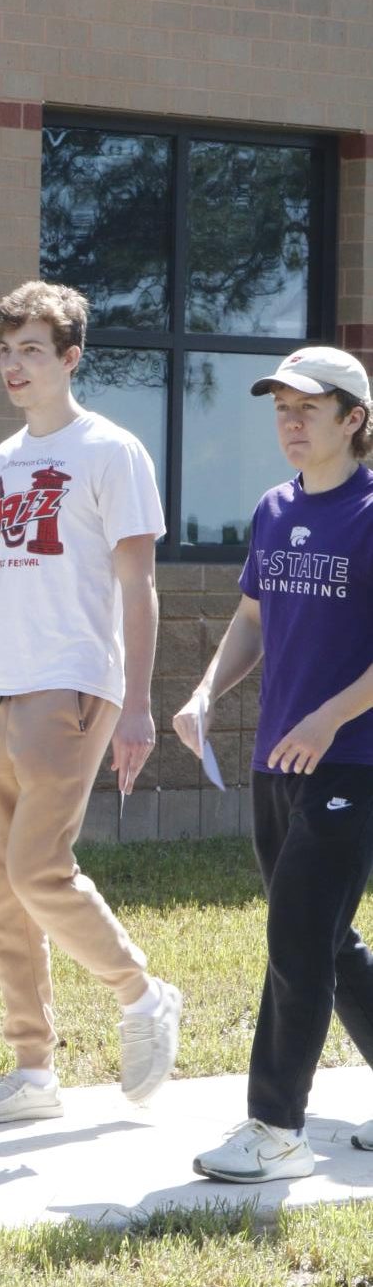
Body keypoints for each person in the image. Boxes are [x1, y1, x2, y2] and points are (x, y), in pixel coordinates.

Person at [0, 280, 181, 1125]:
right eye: (4, 350)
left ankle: (141, 993)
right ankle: (33, 1070)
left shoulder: (112, 452)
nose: (13, 365)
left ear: (71, 357)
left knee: (39, 869)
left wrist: (137, 702)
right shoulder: (2, 461)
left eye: (31, 349)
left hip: (72, 684)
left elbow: (139, 584)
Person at [174, 345, 373, 1180]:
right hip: (276, 760)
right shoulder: (273, 507)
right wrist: (205, 691)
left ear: (355, 419)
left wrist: (329, 719)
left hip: (353, 760)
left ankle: (274, 1128)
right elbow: (253, 618)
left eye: (308, 409)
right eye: (280, 409)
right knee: (328, 942)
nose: (290, 424)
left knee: (295, 936)